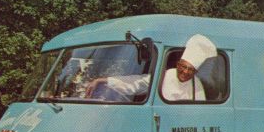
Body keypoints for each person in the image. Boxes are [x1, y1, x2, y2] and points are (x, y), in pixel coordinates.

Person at [85, 34, 217, 102]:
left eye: (191, 70)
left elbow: (201, 109)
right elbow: (135, 83)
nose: (186, 72)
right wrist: (102, 80)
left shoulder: (197, 84)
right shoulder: (164, 76)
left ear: (195, 72)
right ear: (178, 64)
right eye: (183, 67)